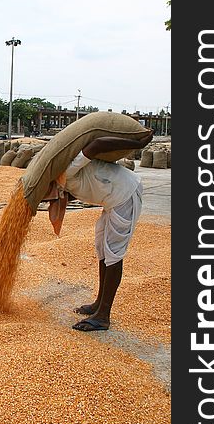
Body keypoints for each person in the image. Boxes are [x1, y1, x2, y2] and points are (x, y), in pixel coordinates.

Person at [65, 130, 154, 332]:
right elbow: (80, 189)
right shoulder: (64, 184)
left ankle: (103, 315)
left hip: (125, 193)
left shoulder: (68, 170)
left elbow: (97, 144)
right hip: (111, 199)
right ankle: (99, 303)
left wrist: (137, 144)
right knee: (102, 247)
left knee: (113, 251)